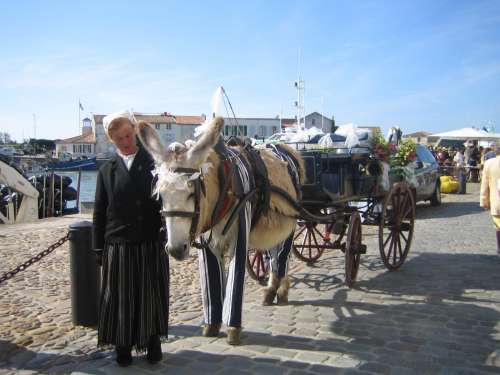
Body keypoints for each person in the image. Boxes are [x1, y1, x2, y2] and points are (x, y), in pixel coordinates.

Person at [92, 111, 169, 366]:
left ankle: (152, 342)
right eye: (119, 139)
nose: (125, 142)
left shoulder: (154, 163)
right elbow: (99, 211)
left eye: (127, 135)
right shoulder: (107, 170)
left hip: (148, 241)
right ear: (112, 140)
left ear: (134, 132)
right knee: (120, 298)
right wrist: (98, 249)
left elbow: (166, 201)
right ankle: (122, 345)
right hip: (118, 243)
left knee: (149, 295)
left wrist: (167, 234)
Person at [480, 149, 500, 255]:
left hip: (497, 202)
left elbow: (484, 185)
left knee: (498, 226)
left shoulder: (489, 164)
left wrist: (484, 201)